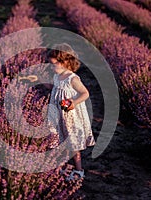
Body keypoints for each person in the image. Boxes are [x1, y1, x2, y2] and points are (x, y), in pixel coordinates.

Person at [46, 43, 95, 181]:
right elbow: (54, 88)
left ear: (65, 62)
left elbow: (85, 93)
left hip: (70, 115)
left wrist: (74, 102)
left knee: (73, 143)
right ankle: (61, 167)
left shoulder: (72, 79)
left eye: (53, 64)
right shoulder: (57, 76)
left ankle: (79, 170)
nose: (51, 67)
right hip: (57, 113)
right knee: (58, 139)